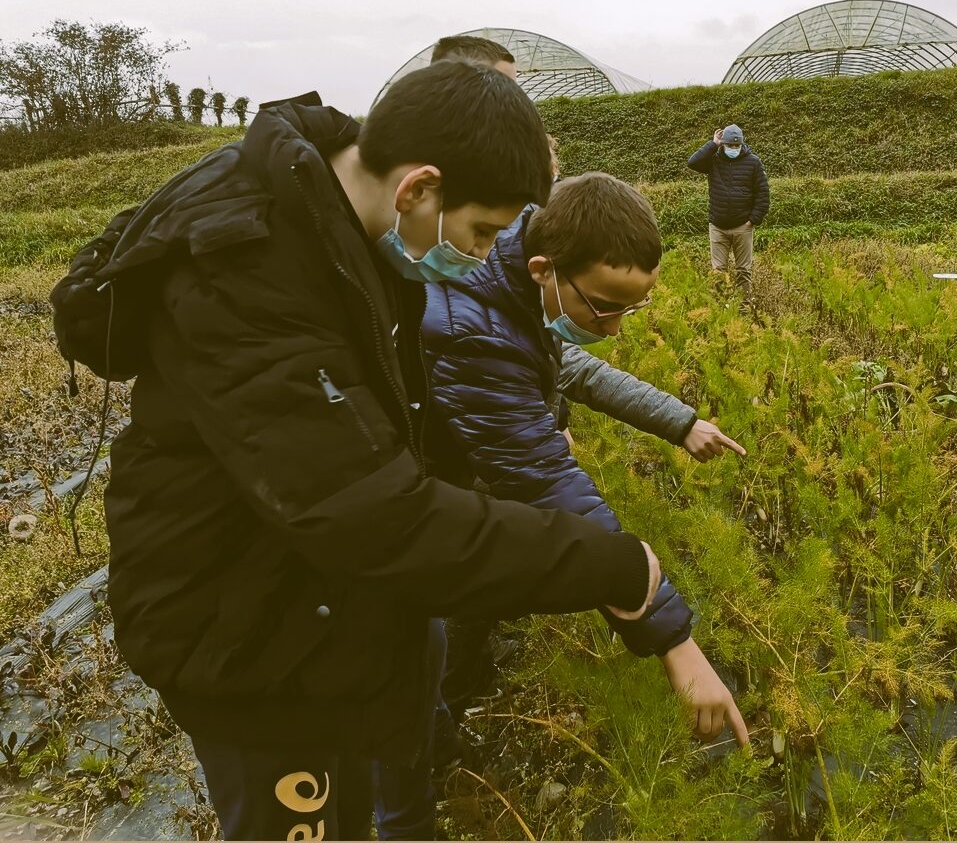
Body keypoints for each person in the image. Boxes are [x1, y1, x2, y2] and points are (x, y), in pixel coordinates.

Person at [49, 62, 662, 841]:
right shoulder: (249, 275)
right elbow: (372, 514)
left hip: (313, 609)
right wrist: (611, 564)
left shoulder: (340, 227)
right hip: (255, 640)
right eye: (480, 232)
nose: (481, 258)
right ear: (419, 190)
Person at [424, 173, 750, 743]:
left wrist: (680, 421)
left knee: (485, 582)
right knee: (438, 613)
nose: (615, 327)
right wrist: (676, 642)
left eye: (632, 307)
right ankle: (439, 738)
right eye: (604, 307)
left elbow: (570, 368)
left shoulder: (519, 271)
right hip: (434, 484)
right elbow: (552, 485)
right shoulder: (473, 328)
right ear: (543, 270)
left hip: (474, 469)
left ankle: (465, 675)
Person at [687, 123, 770, 302]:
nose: (733, 148)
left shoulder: (753, 162)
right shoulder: (713, 160)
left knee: (743, 270)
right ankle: (721, 307)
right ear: (723, 145)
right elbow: (692, 163)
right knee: (718, 271)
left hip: (743, 226)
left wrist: (753, 220)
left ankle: (744, 307)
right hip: (717, 227)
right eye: (729, 145)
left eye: (736, 145)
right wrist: (712, 144)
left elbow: (763, 194)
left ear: (741, 144)